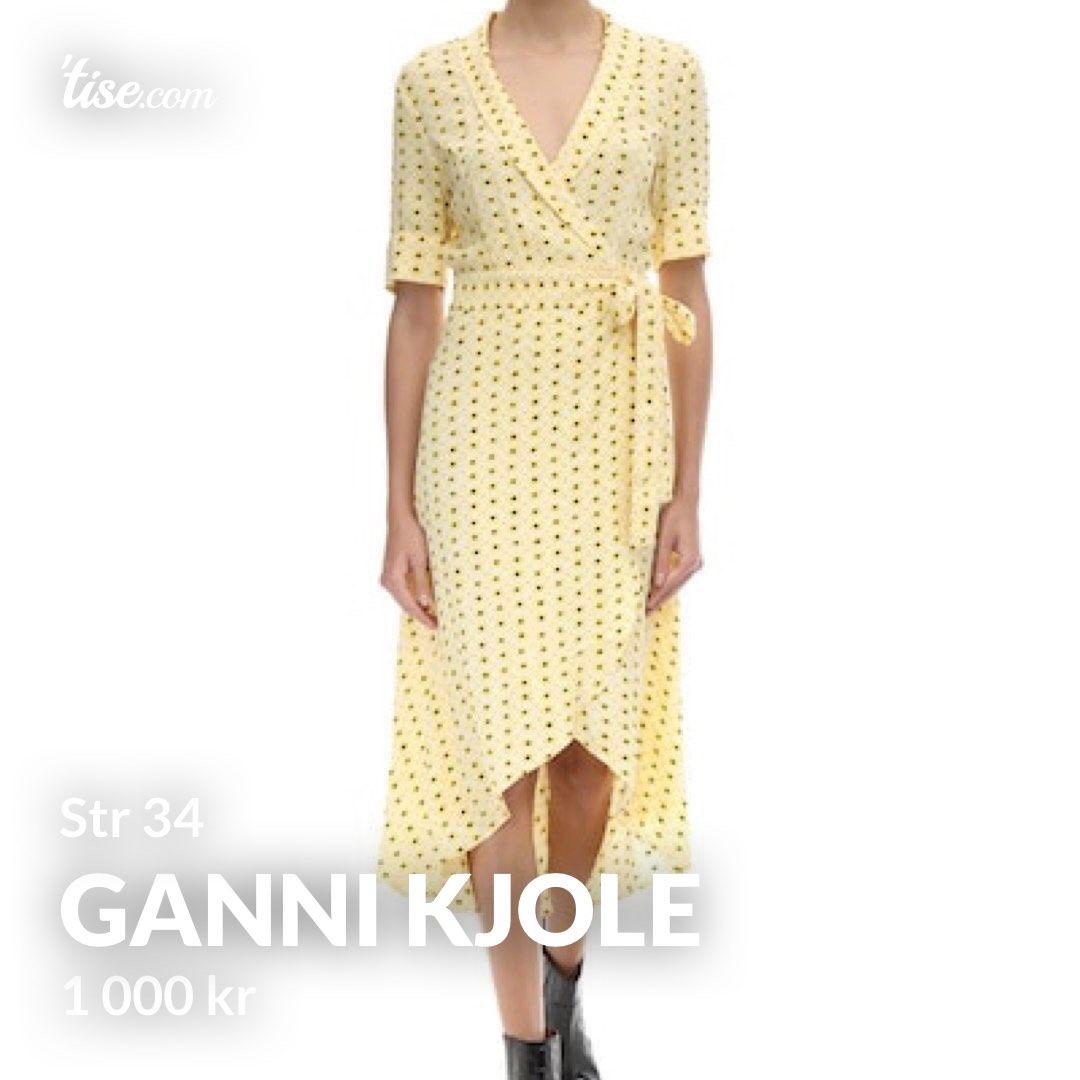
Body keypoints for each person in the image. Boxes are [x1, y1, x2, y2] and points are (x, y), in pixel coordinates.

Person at [378, 3, 712, 1076]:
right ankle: (526, 1049)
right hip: (478, 445)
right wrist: (398, 507)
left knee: (589, 767)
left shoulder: (668, 73)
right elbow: (415, 304)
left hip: (616, 442)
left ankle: (563, 991)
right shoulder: (431, 81)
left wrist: (688, 491)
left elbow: (686, 288)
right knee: (499, 763)